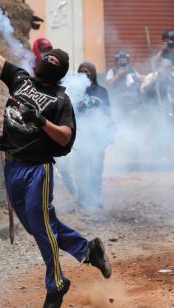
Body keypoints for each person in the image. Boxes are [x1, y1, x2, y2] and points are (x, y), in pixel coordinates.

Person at [0, 4, 112, 308]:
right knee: (38, 225)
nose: (48, 62)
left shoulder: (61, 100)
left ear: (59, 72)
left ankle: (56, 284)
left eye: (54, 62)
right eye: (47, 58)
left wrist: (40, 120)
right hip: (11, 164)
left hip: (38, 171)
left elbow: (66, 137)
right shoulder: (20, 78)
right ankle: (88, 250)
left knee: (41, 226)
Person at [76, 62, 114, 209]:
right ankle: (82, 197)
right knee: (80, 168)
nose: (85, 74)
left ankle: (95, 198)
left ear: (93, 73)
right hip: (80, 136)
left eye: (87, 71)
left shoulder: (102, 91)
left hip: (98, 136)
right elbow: (70, 111)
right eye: (81, 71)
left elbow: (108, 113)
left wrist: (97, 103)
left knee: (96, 168)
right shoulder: (75, 91)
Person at [105, 51, 141, 118]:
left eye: (124, 60)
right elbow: (109, 85)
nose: (123, 62)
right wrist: (118, 76)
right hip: (119, 102)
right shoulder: (112, 71)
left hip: (133, 101)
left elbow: (140, 78)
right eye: (120, 60)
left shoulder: (132, 70)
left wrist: (150, 77)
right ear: (116, 61)